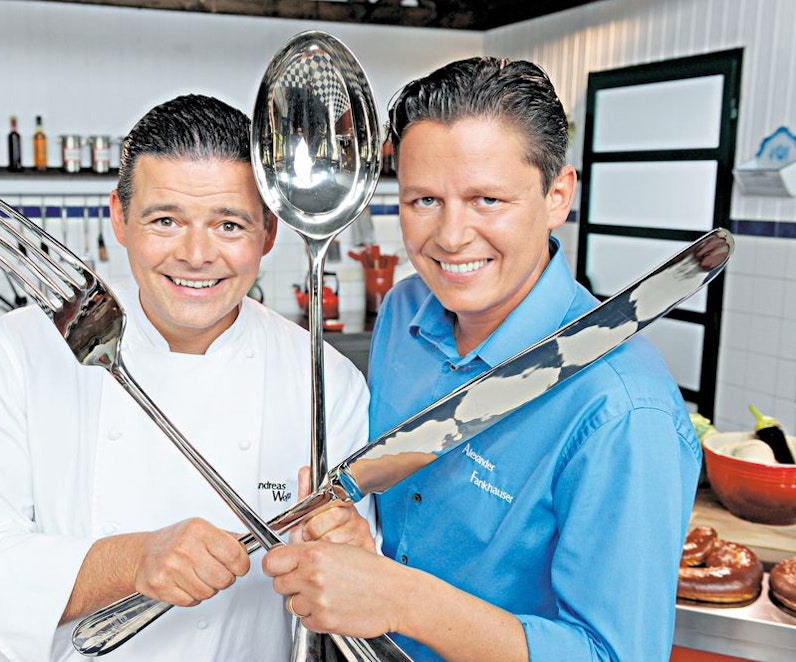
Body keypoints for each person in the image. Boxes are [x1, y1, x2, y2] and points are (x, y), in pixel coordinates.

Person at [263, 57, 700, 661]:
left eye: (487, 199)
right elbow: (401, 522)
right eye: (423, 199)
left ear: (557, 196)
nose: (450, 236)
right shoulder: (404, 311)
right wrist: (357, 540)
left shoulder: (624, 409)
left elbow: (614, 655)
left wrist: (402, 599)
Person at [0, 94, 372, 662]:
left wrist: (348, 556)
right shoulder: (20, 352)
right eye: (165, 221)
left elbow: (348, 594)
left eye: (229, 224)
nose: (196, 254)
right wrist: (131, 561)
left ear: (269, 234)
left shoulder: (325, 379)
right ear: (119, 218)